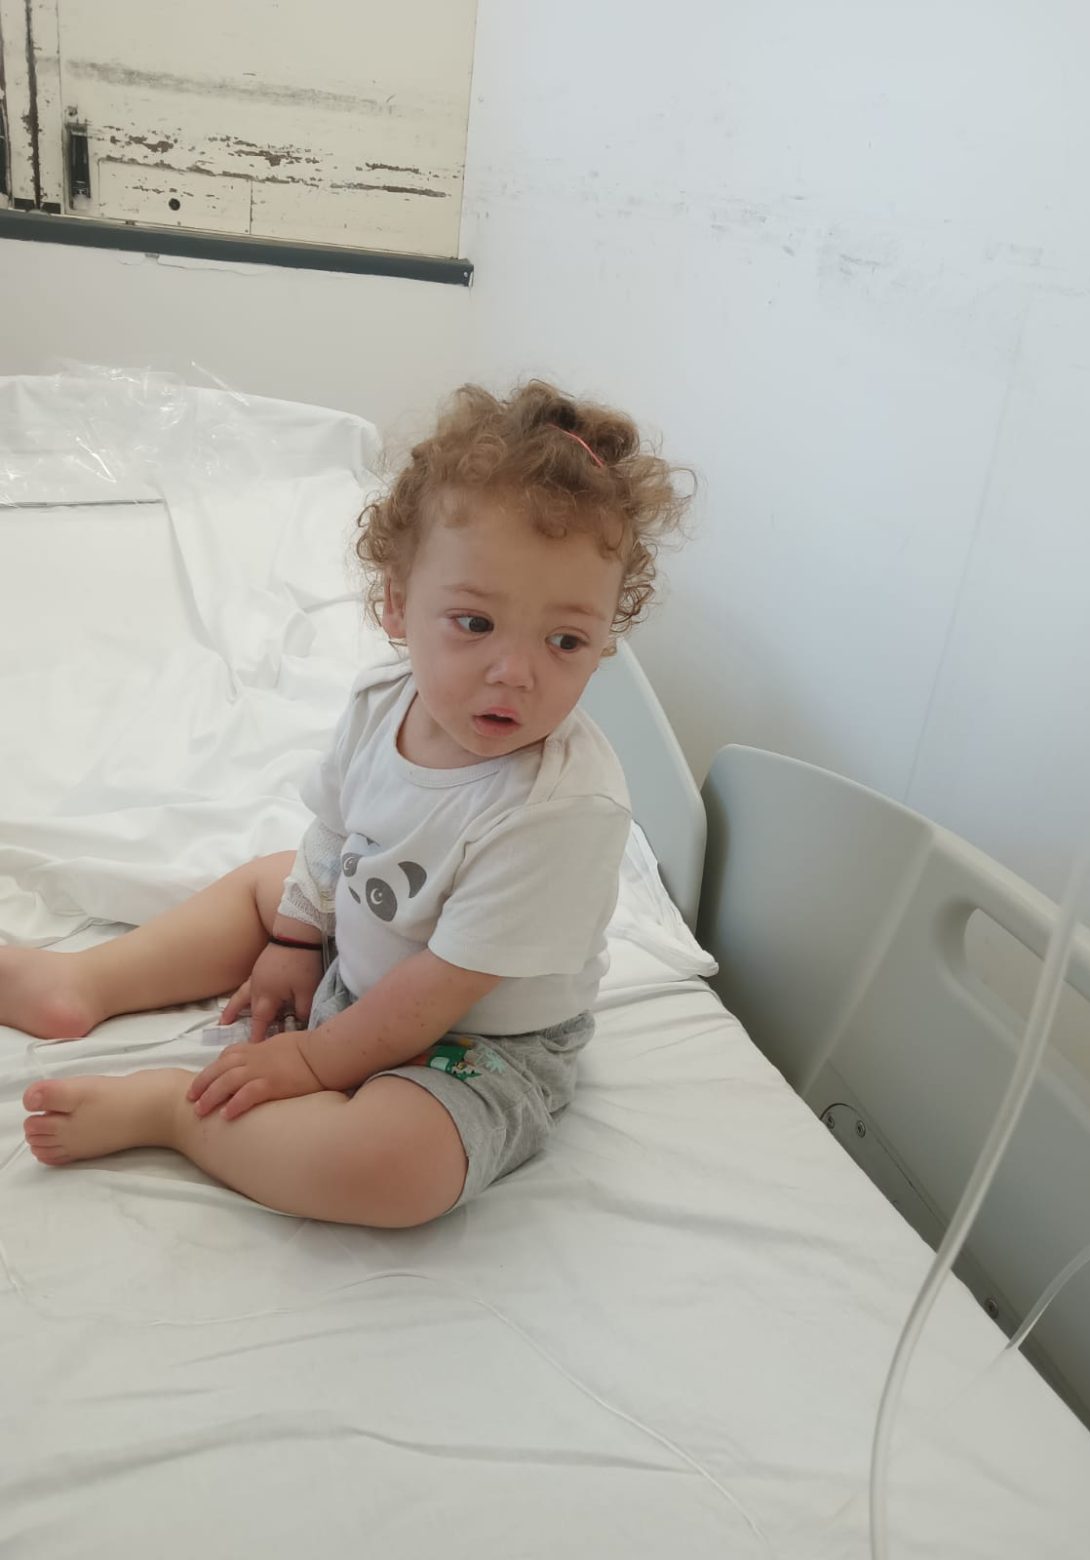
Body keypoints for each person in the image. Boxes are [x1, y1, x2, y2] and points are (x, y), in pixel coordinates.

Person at [8, 380, 690, 1228]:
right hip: (365, 950)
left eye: (565, 640)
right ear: (397, 604)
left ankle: (174, 1113)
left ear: (605, 638)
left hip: (474, 1043)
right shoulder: (380, 703)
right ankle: (85, 982)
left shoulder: (563, 808)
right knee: (269, 880)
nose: (516, 672)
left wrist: (311, 1061)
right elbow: (333, 833)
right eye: (475, 624)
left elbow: (441, 989)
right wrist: (296, 935)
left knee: (395, 1170)